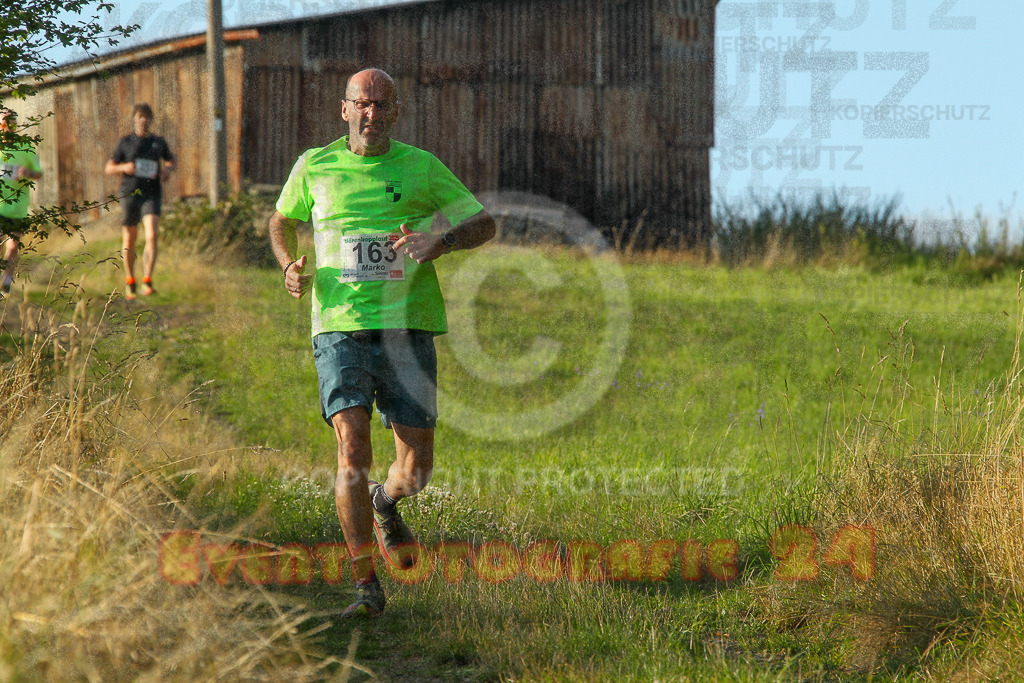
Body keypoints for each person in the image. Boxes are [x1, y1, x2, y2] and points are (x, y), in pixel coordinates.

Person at [269, 68, 496, 618]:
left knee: (415, 467)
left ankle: (386, 502)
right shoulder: (314, 165)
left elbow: (483, 223)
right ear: (343, 109)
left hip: (407, 327)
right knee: (352, 447)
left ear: (396, 112)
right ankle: (365, 586)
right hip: (339, 325)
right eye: (362, 104)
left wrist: (438, 241)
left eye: (383, 106)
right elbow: (280, 222)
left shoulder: (421, 167)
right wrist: (288, 266)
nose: (372, 114)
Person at [105, 103, 175, 300]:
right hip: (130, 193)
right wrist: (124, 167)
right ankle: (130, 280)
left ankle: (147, 280)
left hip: (152, 193)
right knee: (130, 239)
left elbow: (170, 160)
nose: (143, 120)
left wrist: (168, 169)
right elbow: (109, 167)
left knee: (152, 234)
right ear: (134, 119)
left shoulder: (158, 142)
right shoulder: (125, 142)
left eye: (147, 117)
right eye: (140, 116)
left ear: (150, 120)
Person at [0, 108, 43, 296]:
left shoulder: (26, 148)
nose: (7, 127)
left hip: (18, 209)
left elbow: (39, 173)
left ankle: (6, 281)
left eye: (11, 123)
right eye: (3, 123)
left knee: (13, 246)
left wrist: (28, 173)